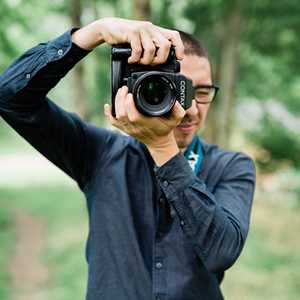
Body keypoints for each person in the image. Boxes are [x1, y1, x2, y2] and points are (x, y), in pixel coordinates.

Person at [0, 17, 255, 300]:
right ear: (145, 85)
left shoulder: (232, 166)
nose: (190, 109)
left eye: (202, 91)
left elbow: (221, 252)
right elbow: (10, 97)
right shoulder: (101, 153)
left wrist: (162, 147)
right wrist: (93, 32)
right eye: (178, 88)